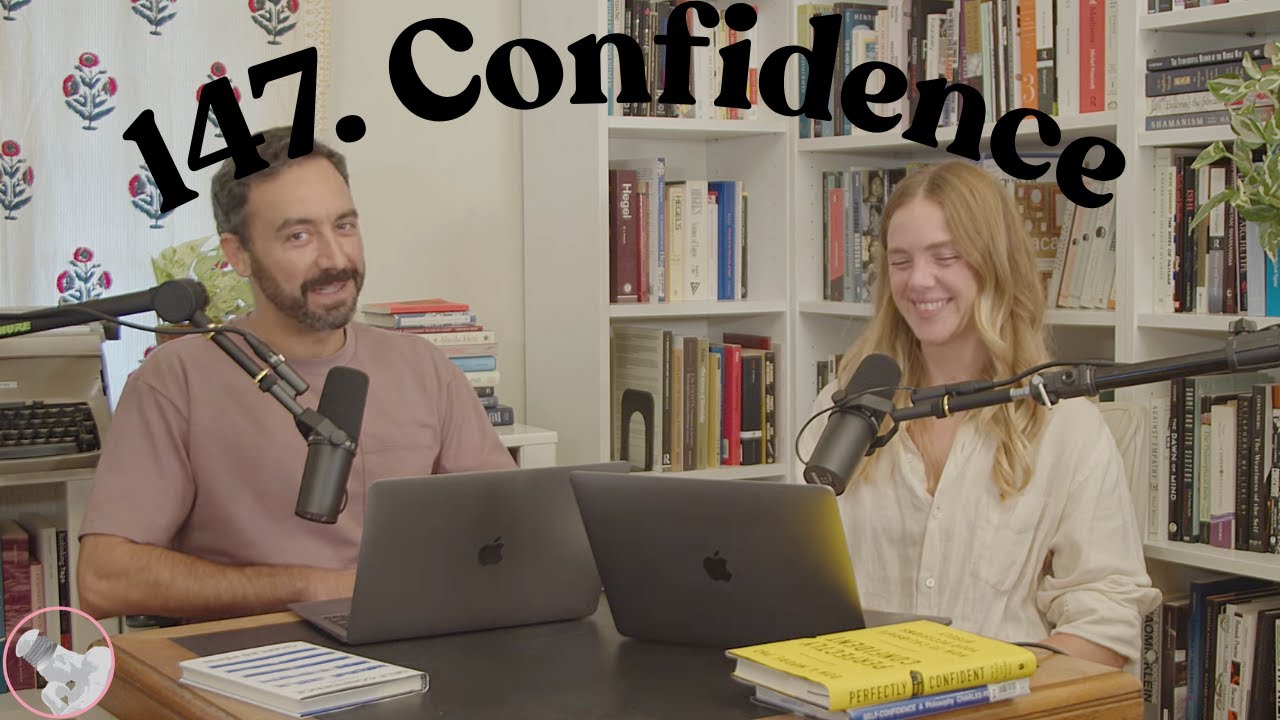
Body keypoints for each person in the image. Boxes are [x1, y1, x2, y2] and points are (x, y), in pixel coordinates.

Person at [77, 127, 516, 622]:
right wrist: (315, 587)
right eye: (299, 236)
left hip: (411, 640)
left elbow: (511, 528)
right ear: (238, 254)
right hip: (251, 653)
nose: (335, 259)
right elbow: (105, 579)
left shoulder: (423, 367)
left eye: (344, 226)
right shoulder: (174, 380)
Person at [795, 160, 1160, 669]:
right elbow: (793, 577)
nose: (919, 281)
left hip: (1005, 698)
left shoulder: (1064, 423)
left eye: (946, 256)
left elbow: (1108, 616)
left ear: (995, 264)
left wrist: (1001, 683)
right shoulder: (844, 407)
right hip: (855, 690)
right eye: (901, 261)